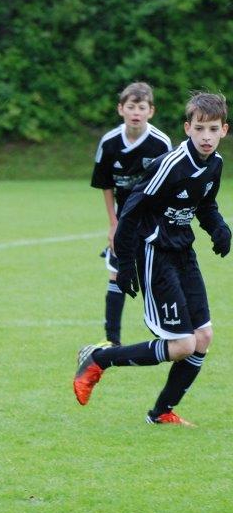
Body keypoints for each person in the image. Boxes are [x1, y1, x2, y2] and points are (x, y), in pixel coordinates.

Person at [73, 92, 230, 425]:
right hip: (154, 252)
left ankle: (161, 413)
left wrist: (219, 229)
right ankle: (99, 358)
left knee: (203, 337)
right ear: (187, 128)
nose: (206, 136)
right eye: (199, 128)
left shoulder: (215, 163)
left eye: (213, 129)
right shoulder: (171, 164)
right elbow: (132, 211)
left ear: (224, 131)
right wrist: (125, 263)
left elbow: (205, 205)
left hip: (183, 251)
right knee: (183, 344)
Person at [90, 82, 172, 346]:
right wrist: (113, 223)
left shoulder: (161, 143)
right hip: (123, 219)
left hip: (151, 219)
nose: (136, 112)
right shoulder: (109, 142)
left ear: (151, 111)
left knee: (155, 275)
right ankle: (112, 341)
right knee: (116, 274)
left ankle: (169, 334)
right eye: (131, 106)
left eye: (142, 107)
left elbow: (169, 186)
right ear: (120, 109)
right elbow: (105, 184)